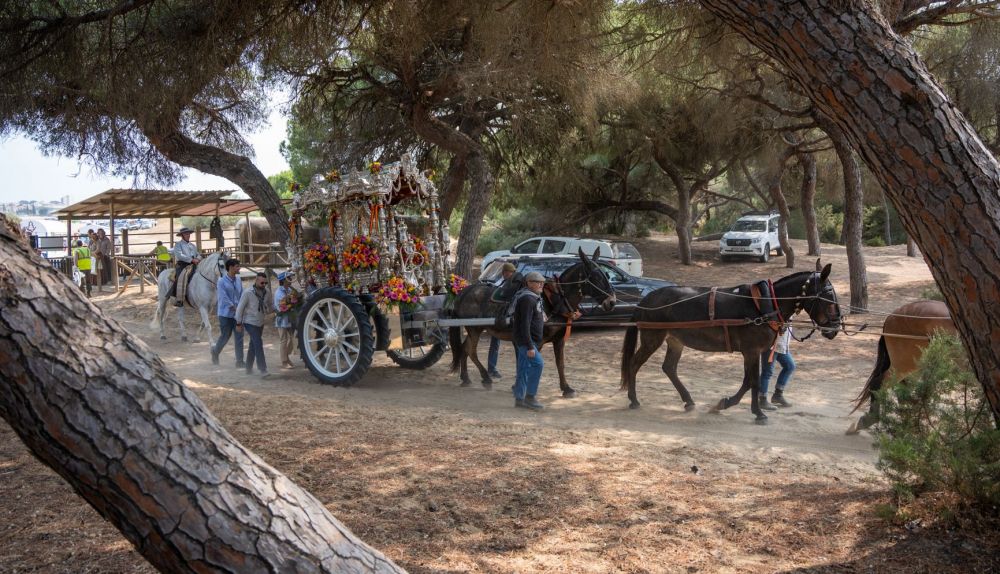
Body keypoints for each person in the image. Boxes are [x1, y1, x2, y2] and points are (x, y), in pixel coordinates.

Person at [511, 271, 547, 410]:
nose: (541, 285)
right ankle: (530, 397)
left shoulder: (534, 297)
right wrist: (530, 346)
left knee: (523, 369)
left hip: (528, 341)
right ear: (529, 283)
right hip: (527, 341)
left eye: (542, 282)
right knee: (538, 364)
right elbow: (524, 324)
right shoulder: (527, 299)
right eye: (538, 282)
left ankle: (519, 399)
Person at [236, 272, 273, 377]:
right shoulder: (248, 292)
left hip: (260, 321)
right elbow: (240, 308)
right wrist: (238, 323)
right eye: (262, 282)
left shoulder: (267, 292)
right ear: (256, 280)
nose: (264, 285)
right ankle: (263, 369)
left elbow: (270, 306)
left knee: (253, 345)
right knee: (258, 343)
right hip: (249, 322)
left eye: (265, 283)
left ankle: (248, 368)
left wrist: (282, 308)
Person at [487, 262, 520, 379]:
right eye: (506, 273)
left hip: (504, 318)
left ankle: (492, 368)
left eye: (507, 273)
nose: (506, 275)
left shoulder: (511, 283)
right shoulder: (506, 282)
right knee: (496, 343)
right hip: (500, 318)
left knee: (495, 343)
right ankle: (492, 368)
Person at [211, 258, 245, 368]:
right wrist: (234, 307)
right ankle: (215, 352)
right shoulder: (221, 281)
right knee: (225, 336)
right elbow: (223, 297)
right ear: (230, 267)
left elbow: (242, 294)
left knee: (239, 336)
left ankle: (239, 361)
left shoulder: (239, 280)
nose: (239, 268)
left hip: (238, 313)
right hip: (225, 314)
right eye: (237, 266)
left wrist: (242, 306)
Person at [759, 326, 796, 410]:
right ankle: (762, 400)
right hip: (771, 345)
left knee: (790, 366)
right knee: (767, 372)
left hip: (782, 346)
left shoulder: (790, 314)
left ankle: (778, 395)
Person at [170, 227, 201, 307]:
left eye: (188, 234)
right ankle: (178, 298)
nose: (188, 235)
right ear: (182, 235)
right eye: (186, 234)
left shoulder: (192, 245)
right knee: (181, 277)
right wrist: (191, 260)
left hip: (193, 265)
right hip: (183, 265)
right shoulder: (178, 244)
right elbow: (179, 255)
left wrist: (198, 258)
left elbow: (198, 254)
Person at [273, 271, 298, 369]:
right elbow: (282, 306)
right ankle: (284, 361)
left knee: (294, 338)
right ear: (283, 281)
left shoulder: (288, 290)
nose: (291, 280)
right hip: (282, 319)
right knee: (283, 340)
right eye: (289, 278)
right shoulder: (279, 293)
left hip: (289, 318)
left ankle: (286, 357)